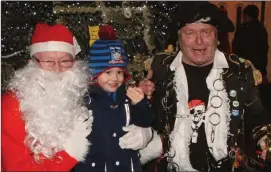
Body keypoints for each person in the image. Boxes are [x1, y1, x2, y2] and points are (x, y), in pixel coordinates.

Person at [137, 2, 271, 171]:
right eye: (190, 33)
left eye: (206, 32)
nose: (199, 41)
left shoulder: (239, 71)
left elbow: (256, 117)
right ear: (179, 37)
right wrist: (142, 100)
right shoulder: (160, 68)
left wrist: (262, 138)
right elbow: (146, 121)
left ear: (217, 36)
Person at [1, 23, 93, 171]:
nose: (57, 69)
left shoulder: (72, 94)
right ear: (32, 63)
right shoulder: (12, 105)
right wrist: (69, 155)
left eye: (64, 61)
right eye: (48, 61)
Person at [73, 24, 154, 172]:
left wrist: (141, 104)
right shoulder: (85, 100)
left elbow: (146, 121)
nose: (115, 78)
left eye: (119, 72)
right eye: (108, 72)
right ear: (95, 73)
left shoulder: (127, 96)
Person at [232, 4, 269, 81]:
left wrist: (238, 61)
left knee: (244, 87)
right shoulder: (261, 29)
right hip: (257, 66)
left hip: (244, 65)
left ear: (248, 15)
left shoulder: (243, 29)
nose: (243, 18)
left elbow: (236, 47)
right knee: (256, 87)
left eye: (244, 15)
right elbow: (264, 50)